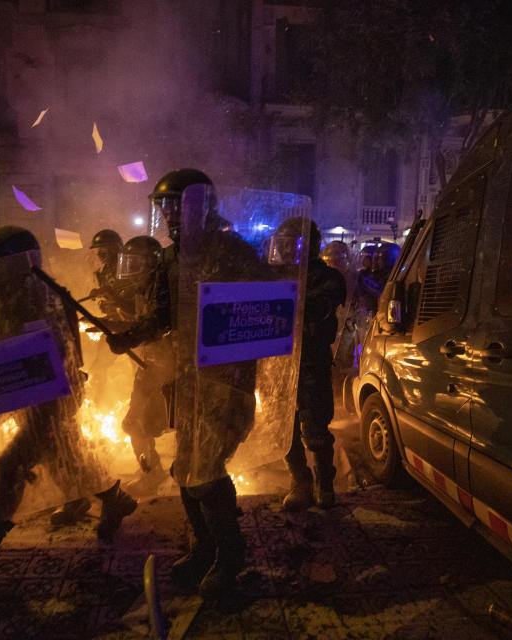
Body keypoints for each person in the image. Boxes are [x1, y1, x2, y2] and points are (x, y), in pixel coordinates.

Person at [0, 226, 137, 579]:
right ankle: (117, 499)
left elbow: (38, 353)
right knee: (71, 463)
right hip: (32, 393)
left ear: (16, 266)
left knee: (9, 466)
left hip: (51, 399)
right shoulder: (10, 293)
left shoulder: (39, 298)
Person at [106, 169, 260, 599]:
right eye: (164, 206)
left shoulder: (234, 253)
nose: (169, 213)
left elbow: (260, 313)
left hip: (226, 382)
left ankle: (230, 561)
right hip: (188, 382)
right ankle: (205, 548)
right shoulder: (171, 259)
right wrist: (130, 336)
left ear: (201, 206)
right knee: (185, 469)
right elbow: (161, 315)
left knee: (207, 474)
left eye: (177, 204)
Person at [273, 219, 347, 510]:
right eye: (282, 242)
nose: (285, 248)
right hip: (278, 363)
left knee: (315, 429)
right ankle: (300, 482)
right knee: (283, 430)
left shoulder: (328, 277)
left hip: (311, 362)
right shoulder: (275, 276)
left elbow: (320, 303)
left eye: (291, 242)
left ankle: (323, 484)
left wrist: (288, 299)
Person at [115, 236, 172, 494]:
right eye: (129, 264)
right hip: (150, 366)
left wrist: (128, 337)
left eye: (136, 264)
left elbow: (157, 323)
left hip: (171, 370)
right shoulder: (142, 290)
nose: (131, 271)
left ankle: (187, 477)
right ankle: (152, 472)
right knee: (132, 423)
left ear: (151, 264)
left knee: (157, 423)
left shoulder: (165, 289)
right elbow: (140, 323)